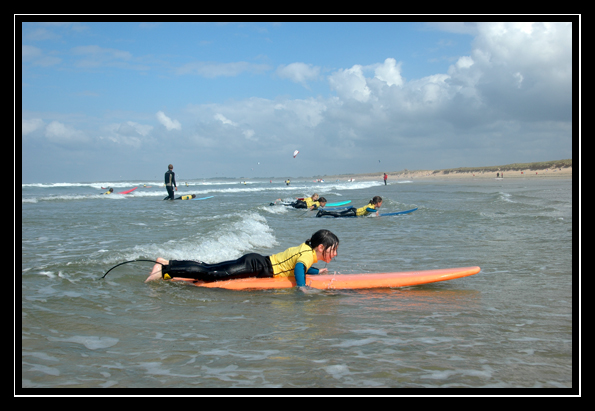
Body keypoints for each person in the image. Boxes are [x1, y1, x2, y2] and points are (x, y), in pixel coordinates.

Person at [145, 229, 339, 287]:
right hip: (257, 265)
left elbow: (300, 266)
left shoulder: (307, 252)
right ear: (321, 247)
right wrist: (302, 289)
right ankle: (164, 271)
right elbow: (298, 268)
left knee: (209, 267)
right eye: (333, 249)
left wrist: (317, 271)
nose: (335, 254)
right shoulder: (306, 254)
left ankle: (167, 262)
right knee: (211, 273)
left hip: (256, 261)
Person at [316, 196, 382, 218]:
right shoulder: (371, 206)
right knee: (338, 215)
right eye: (381, 203)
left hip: (353, 211)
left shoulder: (372, 206)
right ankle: (323, 213)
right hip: (353, 212)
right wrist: (375, 211)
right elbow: (367, 209)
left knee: (338, 214)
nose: (381, 205)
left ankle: (323, 212)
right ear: (377, 203)